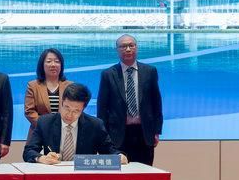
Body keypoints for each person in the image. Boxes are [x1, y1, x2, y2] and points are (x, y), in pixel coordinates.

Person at [97, 34, 163, 166]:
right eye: (123, 46)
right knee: (119, 173)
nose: (128, 49)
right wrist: (103, 135)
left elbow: (156, 102)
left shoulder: (150, 71)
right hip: (117, 134)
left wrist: (157, 131)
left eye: (131, 45)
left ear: (136, 48)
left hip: (144, 133)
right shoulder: (108, 74)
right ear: (117, 50)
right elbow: (102, 107)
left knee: (144, 172)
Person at [23, 83, 127, 164]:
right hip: (54, 175)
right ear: (62, 102)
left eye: (76, 111)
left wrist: (119, 156)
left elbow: (110, 151)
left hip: (83, 177)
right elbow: (29, 151)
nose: (69, 114)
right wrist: (41, 158)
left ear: (83, 109)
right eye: (66, 108)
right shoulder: (45, 122)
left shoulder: (95, 125)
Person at [24, 48, 72, 140]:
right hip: (39, 133)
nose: (53, 65)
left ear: (61, 65)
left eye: (57, 61)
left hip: (65, 134)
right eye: (49, 61)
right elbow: (29, 112)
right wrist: (47, 127)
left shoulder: (70, 86)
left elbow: (74, 110)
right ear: (42, 65)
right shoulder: (33, 86)